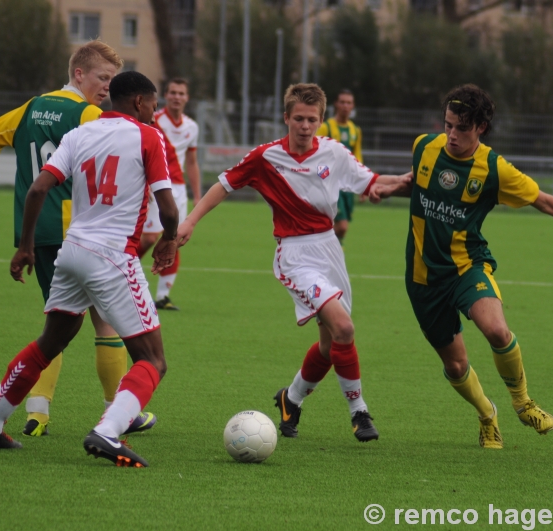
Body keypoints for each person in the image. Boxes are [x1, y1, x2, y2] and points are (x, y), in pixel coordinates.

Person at [0, 41, 157, 437]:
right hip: (83, 232)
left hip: (36, 233)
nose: (108, 88)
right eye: (102, 78)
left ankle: (36, 412)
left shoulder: (31, 107)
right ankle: (119, 412)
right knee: (105, 325)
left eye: (111, 80)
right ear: (79, 74)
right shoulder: (92, 114)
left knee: (55, 328)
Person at [369, 84, 553, 449]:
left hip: (467, 267)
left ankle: (523, 402)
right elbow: (416, 185)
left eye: (461, 128)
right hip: (422, 279)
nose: (451, 135)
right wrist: (378, 186)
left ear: (480, 127)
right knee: (457, 366)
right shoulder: (423, 147)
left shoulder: (494, 169)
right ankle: (486, 414)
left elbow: (540, 199)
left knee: (496, 330)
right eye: (447, 125)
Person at [0, 71, 179, 468]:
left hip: (72, 251)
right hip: (113, 255)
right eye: (152, 104)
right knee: (153, 359)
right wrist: (169, 238)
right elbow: (168, 209)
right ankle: (108, 431)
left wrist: (25, 246)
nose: (155, 112)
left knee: (52, 340)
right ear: (138, 102)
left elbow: (38, 189)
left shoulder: (79, 136)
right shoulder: (149, 137)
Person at [176, 83, 411, 442]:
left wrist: (402, 184)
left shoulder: (334, 153)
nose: (305, 125)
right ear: (286, 118)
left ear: (321, 121)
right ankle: (359, 412)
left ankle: (292, 398)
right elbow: (223, 184)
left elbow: (372, 182)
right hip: (295, 255)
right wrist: (191, 221)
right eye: (298, 118)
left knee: (331, 346)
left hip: (330, 249)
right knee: (344, 329)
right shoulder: (266, 157)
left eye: (312, 119)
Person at [141, 78, 202, 311]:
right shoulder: (154, 119)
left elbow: (193, 162)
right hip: (156, 184)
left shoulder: (191, 126)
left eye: (181, 93)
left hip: (177, 188)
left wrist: (196, 195)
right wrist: (145, 183)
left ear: (187, 98)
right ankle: (119, 276)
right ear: (166, 95)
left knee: (174, 239)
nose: (177, 96)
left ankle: (163, 296)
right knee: (148, 238)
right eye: (173, 92)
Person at [316, 89, 362, 245]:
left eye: (348, 103)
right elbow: (315, 155)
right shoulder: (326, 128)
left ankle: (332, 256)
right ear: (336, 104)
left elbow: (357, 159)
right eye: (342, 102)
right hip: (332, 184)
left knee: (342, 228)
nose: (345, 106)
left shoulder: (355, 130)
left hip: (348, 185)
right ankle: (314, 241)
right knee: (341, 227)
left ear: (353, 105)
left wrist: (364, 185)